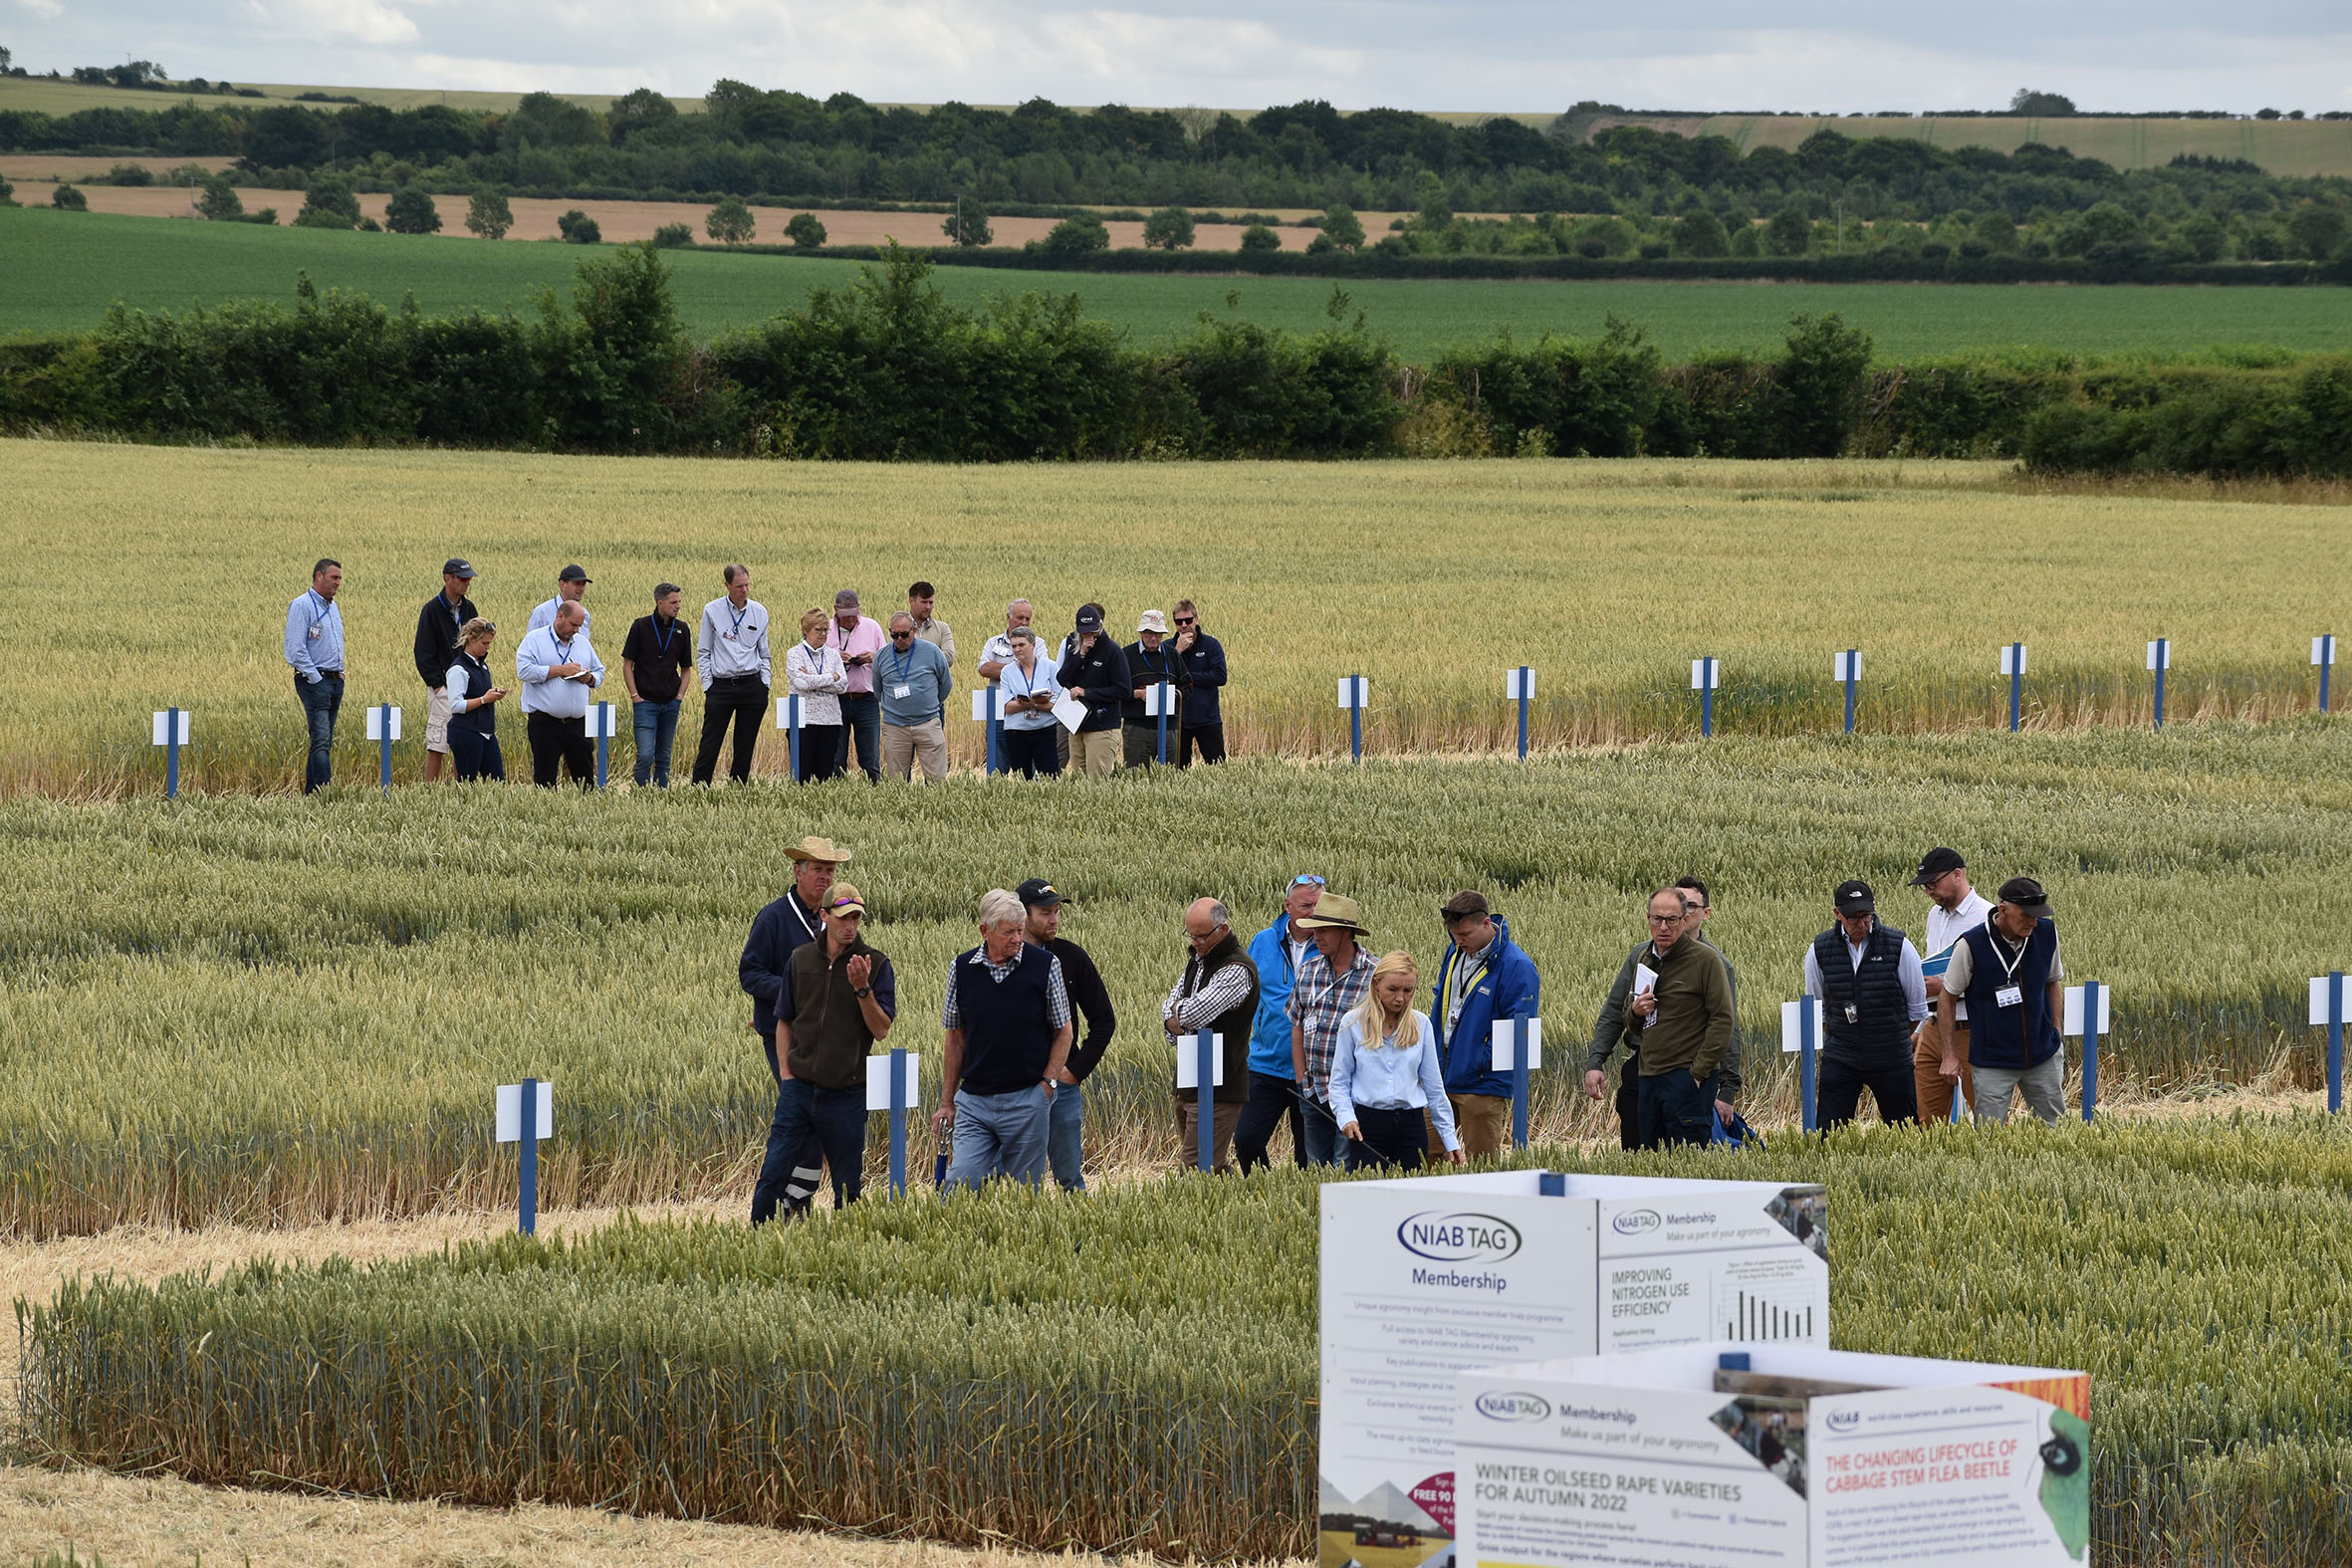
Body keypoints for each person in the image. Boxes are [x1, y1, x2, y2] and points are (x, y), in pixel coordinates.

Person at [750, 882, 896, 1224]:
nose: (850, 926)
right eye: (844, 917)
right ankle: (755, 1238)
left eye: (857, 918)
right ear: (824, 915)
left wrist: (862, 990)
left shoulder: (875, 964)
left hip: (846, 1095)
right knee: (772, 1175)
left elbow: (881, 1029)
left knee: (847, 1187)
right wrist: (787, 1077)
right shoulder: (800, 960)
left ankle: (847, 1248)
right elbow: (784, 1021)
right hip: (798, 1090)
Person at [740, 835, 853, 1218]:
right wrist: (794, 990)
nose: (825, 878)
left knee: (820, 1126)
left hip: (828, 1043)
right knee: (803, 1118)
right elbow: (750, 973)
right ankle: (790, 1206)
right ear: (798, 872)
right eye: (818, 870)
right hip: (783, 1037)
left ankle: (795, 1203)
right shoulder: (773, 917)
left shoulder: (835, 919)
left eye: (830, 871)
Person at [935, 889, 1073, 1190]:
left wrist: (1047, 1086)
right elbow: (955, 1039)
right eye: (1008, 932)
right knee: (959, 1182)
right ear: (984, 931)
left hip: (1027, 1100)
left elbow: (1064, 1031)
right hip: (974, 1102)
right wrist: (947, 1102)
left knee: (1023, 1193)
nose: (1016, 939)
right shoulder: (961, 969)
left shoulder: (1045, 965)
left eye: (1020, 931)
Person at [1937, 876, 2067, 1126]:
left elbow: (2053, 982)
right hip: (1992, 1061)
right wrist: (1949, 1055)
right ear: (2003, 910)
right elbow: (1947, 997)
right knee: (1990, 1136)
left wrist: (2056, 1030)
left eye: (2037, 915)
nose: (2033, 922)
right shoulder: (1971, 944)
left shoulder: (2047, 933)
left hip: (2043, 1055)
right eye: (2026, 915)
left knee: (2056, 1131)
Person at [1802, 880, 1929, 1130]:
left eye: (1866, 916)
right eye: (1854, 918)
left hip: (1891, 1057)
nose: (1862, 925)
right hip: (1841, 1057)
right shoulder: (1819, 949)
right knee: (1830, 1134)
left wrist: (1890, 1037)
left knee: (1905, 1133)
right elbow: (1818, 1009)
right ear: (1838, 914)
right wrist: (1845, 1038)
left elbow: (1917, 1008)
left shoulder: (1899, 945)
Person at [1019, 878, 1116, 1192]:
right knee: (1017, 1181)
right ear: (1023, 914)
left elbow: (1104, 1019)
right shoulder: (1001, 959)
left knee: (1070, 1179)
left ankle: (1079, 1234)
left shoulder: (1071, 957)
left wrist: (1074, 1071)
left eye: (1057, 911)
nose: (1054, 919)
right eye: (1045, 912)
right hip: (1014, 1088)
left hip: (1062, 1087)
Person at [1427, 891, 1540, 1160]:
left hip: (1481, 1085)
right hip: (1441, 1074)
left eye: (1465, 934)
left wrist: (1478, 1061)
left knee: (1482, 1165)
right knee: (1426, 1158)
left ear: (1487, 924)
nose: (1458, 940)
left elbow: (1519, 1030)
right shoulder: (1455, 951)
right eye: (1454, 934)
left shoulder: (1517, 966)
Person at [1331, 952, 1462, 1172]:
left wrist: (1450, 1140)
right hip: (1367, 1127)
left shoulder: (1422, 1025)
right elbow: (1339, 1082)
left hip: (1412, 1127)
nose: (1400, 998)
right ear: (1376, 985)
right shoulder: (1352, 1023)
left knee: (1411, 1199)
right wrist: (1346, 1118)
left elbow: (1434, 1088)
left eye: (1407, 990)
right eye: (1393, 989)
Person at [1627, 887, 1736, 1149]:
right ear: (1648, 919)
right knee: (1651, 1161)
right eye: (1657, 919)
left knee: (1690, 1164)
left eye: (1671, 919)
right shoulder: (1644, 959)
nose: (1663, 926)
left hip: (1686, 1079)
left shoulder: (1706, 960)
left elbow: (1723, 1020)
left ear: (1684, 920)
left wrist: (1697, 1074)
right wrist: (1635, 1012)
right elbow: (1630, 1024)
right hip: (1649, 1078)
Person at [1163, 897, 1260, 1173]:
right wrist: (1176, 1015)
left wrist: (1176, 1016)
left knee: (1195, 1169)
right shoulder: (1198, 960)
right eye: (1190, 934)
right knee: (1210, 1169)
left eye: (1201, 936)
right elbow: (1170, 1005)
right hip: (1189, 1080)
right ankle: (1239, 1206)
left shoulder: (1236, 969)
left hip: (1220, 1085)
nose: (1194, 941)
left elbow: (1193, 1014)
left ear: (1223, 930)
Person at [1236, 874, 1322, 1172]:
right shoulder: (1263, 941)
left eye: (1318, 906)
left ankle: (1299, 1205)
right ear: (1287, 906)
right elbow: (1245, 992)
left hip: (1313, 1069)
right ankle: (1262, 1194)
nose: (1313, 912)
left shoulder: (1329, 943)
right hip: (1266, 1063)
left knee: (1308, 1157)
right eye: (1306, 906)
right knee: (1246, 1140)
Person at [1289, 891, 1375, 1167]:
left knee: (1345, 1165)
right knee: (1316, 1164)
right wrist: (1302, 1078)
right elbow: (1297, 1025)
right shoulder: (1308, 970)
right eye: (1315, 930)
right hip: (1313, 1089)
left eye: (1324, 930)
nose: (1317, 937)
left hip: (1353, 1093)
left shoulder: (1375, 974)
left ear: (1346, 933)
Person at [1910, 847, 1991, 1122]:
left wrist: (1944, 988)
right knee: (1925, 1124)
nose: (1929, 891)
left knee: (1989, 1121)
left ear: (1957, 875)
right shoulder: (1935, 916)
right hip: (1934, 1029)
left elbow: (1996, 982)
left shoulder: (1987, 918)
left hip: (1974, 1031)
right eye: (1925, 886)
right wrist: (1920, 1030)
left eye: (1934, 883)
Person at [1677, 877, 1749, 1132]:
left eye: (1691, 906)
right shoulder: (1646, 956)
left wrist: (1727, 1091)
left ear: (1706, 913)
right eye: (1678, 903)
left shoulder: (1718, 965)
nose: (1683, 912)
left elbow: (1728, 1028)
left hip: (1699, 1078)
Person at [692, 563, 770, 785]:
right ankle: (699, 789)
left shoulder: (759, 612)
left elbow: (764, 653)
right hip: (721, 686)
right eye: (739, 586)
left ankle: (738, 789)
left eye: (747, 585)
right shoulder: (712, 610)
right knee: (710, 743)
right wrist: (709, 685)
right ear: (727, 585)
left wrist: (764, 684)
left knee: (745, 744)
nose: (744, 590)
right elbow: (704, 651)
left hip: (752, 685)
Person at [514, 599, 605, 787]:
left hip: (579, 724)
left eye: (579, 626)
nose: (576, 630)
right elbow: (524, 671)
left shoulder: (582, 643)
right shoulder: (534, 640)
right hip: (545, 723)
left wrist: (588, 678)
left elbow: (600, 672)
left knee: (586, 781)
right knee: (545, 780)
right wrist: (559, 670)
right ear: (560, 616)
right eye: (573, 624)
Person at [621, 582, 693, 788]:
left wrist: (680, 696)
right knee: (645, 754)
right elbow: (628, 664)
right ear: (659, 602)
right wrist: (635, 696)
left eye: (679, 602)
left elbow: (686, 668)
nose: (678, 606)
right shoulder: (640, 626)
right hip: (645, 702)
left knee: (664, 756)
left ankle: (661, 794)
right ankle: (641, 793)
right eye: (673, 602)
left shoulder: (682, 629)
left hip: (671, 702)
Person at [285, 558, 347, 793]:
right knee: (321, 739)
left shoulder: (333, 607)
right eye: (334, 577)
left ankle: (312, 792)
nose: (338, 583)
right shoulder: (302, 605)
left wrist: (339, 674)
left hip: (334, 680)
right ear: (319, 576)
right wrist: (315, 678)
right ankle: (323, 792)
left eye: (340, 578)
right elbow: (295, 649)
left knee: (324, 741)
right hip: (315, 680)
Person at [414, 559, 478, 784]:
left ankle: (461, 790)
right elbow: (423, 652)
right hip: (443, 688)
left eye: (469, 578)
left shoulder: (469, 608)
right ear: (447, 578)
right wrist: (438, 685)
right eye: (462, 578)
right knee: (438, 743)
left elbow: (478, 643)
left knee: (463, 742)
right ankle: (429, 791)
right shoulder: (431, 610)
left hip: (468, 687)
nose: (467, 583)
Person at [1056, 604, 1130, 778]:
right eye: (1084, 632)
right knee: (1079, 782)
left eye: (1093, 631)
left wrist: (1087, 692)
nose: (1089, 636)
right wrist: (1080, 654)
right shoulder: (1074, 647)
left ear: (1100, 626)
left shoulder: (1113, 651)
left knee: (1096, 782)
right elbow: (1062, 678)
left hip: (1102, 727)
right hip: (1077, 726)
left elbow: (1124, 690)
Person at [879, 612, 954, 784]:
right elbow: (878, 689)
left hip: (928, 723)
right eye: (894, 635)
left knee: (937, 782)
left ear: (913, 630)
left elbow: (946, 684)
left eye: (904, 634)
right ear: (890, 632)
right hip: (895, 727)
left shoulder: (932, 651)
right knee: (896, 783)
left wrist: (930, 704)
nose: (899, 638)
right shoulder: (882, 656)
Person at [785, 607, 849, 783]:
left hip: (830, 719)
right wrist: (830, 677)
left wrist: (813, 679)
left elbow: (843, 685)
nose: (823, 634)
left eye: (826, 629)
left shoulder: (833, 655)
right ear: (806, 630)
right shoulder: (794, 653)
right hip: (803, 720)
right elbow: (800, 683)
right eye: (818, 630)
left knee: (825, 773)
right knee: (802, 773)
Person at [826, 589, 885, 782]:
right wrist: (836, 658)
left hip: (866, 700)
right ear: (835, 610)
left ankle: (874, 796)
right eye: (845, 615)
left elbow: (886, 660)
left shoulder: (872, 627)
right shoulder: (825, 629)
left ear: (859, 608)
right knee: (835, 759)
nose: (850, 619)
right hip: (836, 700)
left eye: (853, 614)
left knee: (870, 759)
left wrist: (872, 658)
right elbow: (815, 661)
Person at [441, 616, 509, 781]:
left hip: (486, 731)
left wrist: (493, 694)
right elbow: (456, 705)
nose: (488, 648)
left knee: (497, 780)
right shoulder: (458, 669)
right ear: (471, 640)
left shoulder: (482, 665)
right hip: (466, 731)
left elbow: (478, 693)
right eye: (484, 643)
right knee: (467, 781)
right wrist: (485, 699)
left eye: (490, 643)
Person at [1121, 609, 1192, 768]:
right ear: (1141, 632)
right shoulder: (1126, 655)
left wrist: (1174, 694)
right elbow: (1116, 690)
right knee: (1136, 779)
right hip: (1137, 729)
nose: (1153, 638)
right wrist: (1137, 694)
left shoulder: (1172, 654)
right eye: (1149, 633)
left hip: (1169, 728)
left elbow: (1188, 685)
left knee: (1168, 779)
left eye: (1158, 633)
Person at [996, 627, 1063, 778]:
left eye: (1021, 645)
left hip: (1045, 730)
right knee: (1023, 780)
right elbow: (1007, 707)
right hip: (1016, 731)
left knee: (1050, 777)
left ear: (1033, 645)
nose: (1017, 649)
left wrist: (1026, 703)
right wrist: (1037, 702)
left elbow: (1057, 705)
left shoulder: (1051, 667)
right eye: (1014, 646)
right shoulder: (1007, 671)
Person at [1169, 599, 1229, 767]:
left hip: (1208, 719)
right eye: (1178, 621)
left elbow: (1220, 676)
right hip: (1178, 720)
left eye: (1188, 620)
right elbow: (1164, 677)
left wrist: (1186, 678)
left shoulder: (1211, 645)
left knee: (1218, 769)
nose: (1183, 625)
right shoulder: (1169, 647)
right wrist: (1177, 652)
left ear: (1196, 619)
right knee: (1177, 772)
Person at [976, 598, 1035, 682]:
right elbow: (984, 669)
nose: (1024, 623)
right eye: (1020, 618)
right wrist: (1024, 668)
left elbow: (1040, 672)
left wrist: (996, 667)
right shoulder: (993, 642)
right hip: (998, 695)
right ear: (1008, 617)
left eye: (1027, 619)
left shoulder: (1038, 644)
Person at [528, 563, 591, 634]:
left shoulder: (585, 615)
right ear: (562, 585)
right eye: (577, 584)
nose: (581, 588)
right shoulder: (541, 613)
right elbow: (531, 642)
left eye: (583, 584)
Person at [907, 581, 956, 666]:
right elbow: (895, 658)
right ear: (911, 601)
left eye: (931, 602)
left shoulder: (942, 628)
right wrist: (935, 656)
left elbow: (949, 658)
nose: (928, 607)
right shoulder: (898, 628)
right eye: (924, 602)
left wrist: (914, 657)